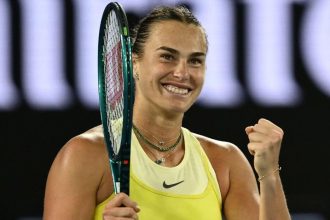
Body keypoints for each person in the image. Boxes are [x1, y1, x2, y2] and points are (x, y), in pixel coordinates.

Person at [44, 5, 291, 220]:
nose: (182, 73)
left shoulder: (225, 162)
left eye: (195, 60)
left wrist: (268, 174)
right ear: (134, 63)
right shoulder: (84, 156)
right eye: (167, 56)